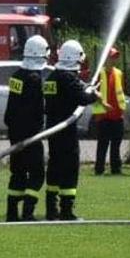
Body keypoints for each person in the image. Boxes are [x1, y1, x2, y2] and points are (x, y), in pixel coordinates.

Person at [43, 39, 100, 221]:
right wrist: (94, 95)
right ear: (75, 58)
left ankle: (51, 209)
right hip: (66, 132)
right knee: (69, 169)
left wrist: (86, 89)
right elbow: (82, 98)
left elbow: (70, 94)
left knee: (54, 168)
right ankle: (66, 210)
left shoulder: (52, 77)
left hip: (53, 130)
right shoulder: (67, 78)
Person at [3, 35, 50, 222]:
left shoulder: (16, 76)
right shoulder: (35, 79)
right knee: (37, 174)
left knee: (18, 173)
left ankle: (11, 213)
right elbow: (37, 109)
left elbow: (13, 108)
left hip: (14, 133)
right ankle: (28, 212)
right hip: (31, 135)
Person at [92, 46, 127, 176]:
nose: (114, 59)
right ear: (105, 58)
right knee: (103, 144)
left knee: (116, 145)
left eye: (115, 57)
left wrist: (122, 109)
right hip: (103, 115)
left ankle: (116, 169)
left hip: (117, 115)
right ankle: (99, 169)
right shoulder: (98, 74)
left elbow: (121, 92)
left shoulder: (119, 73)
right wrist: (103, 104)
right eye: (112, 57)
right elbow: (93, 93)